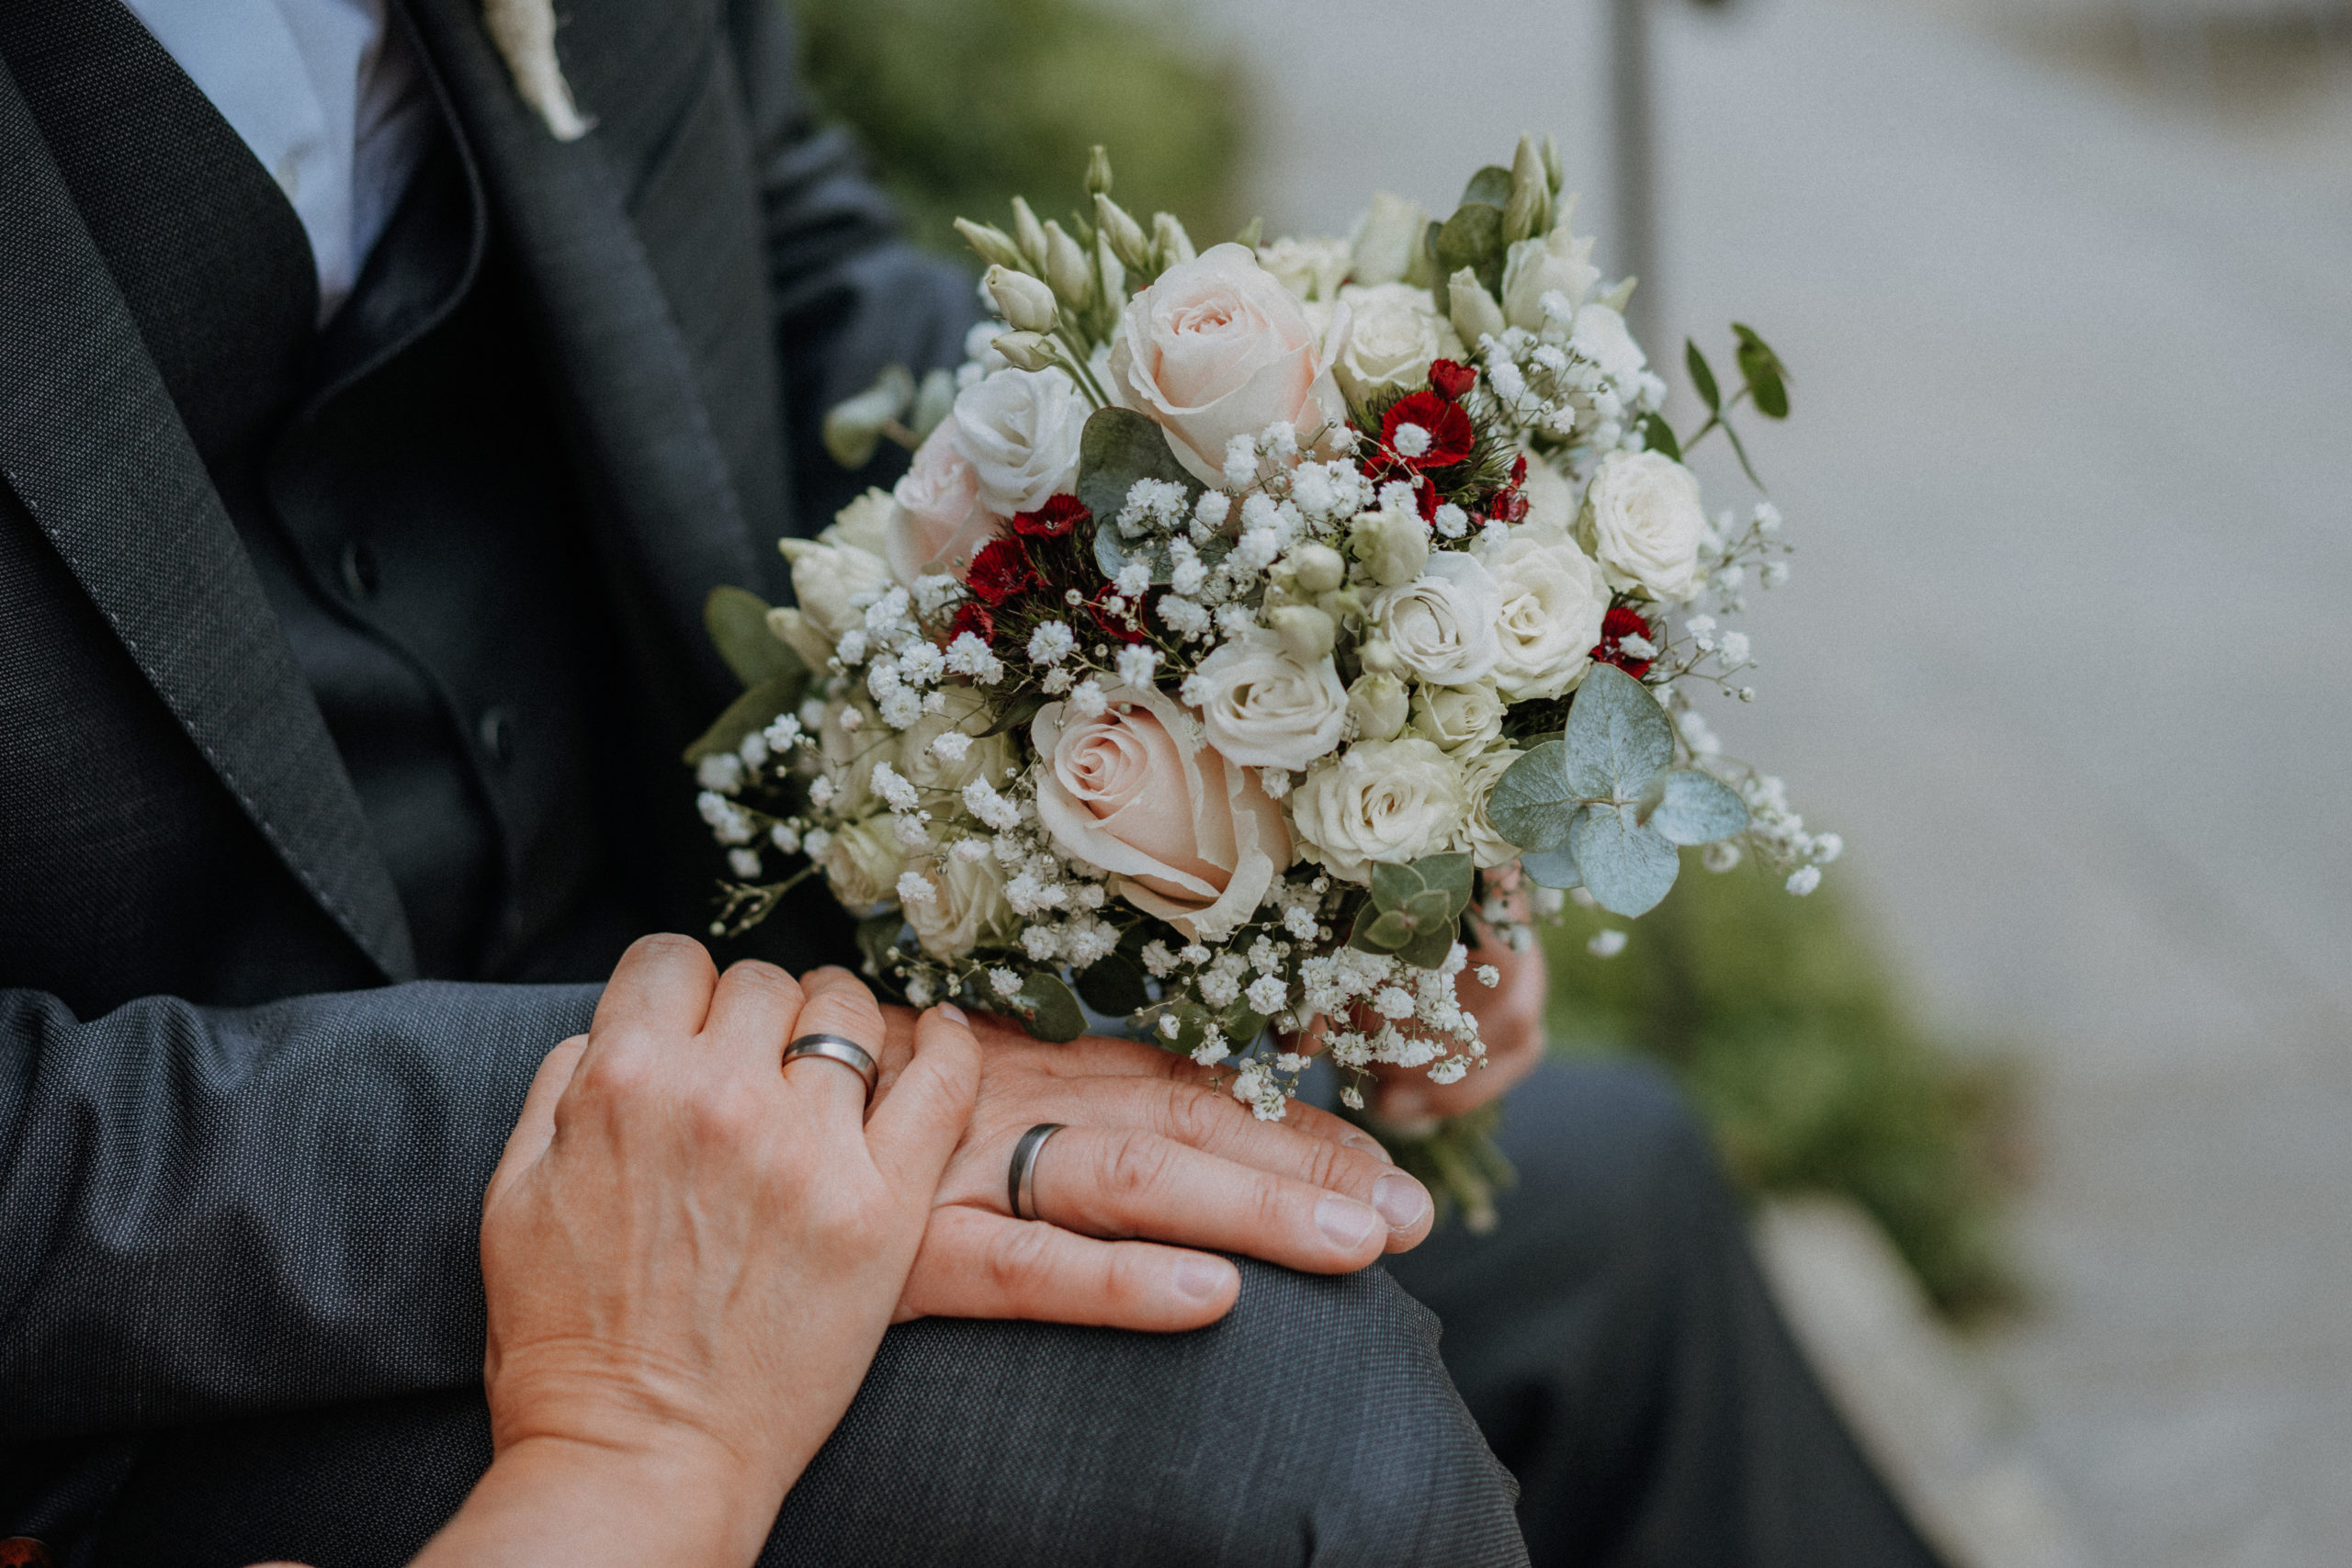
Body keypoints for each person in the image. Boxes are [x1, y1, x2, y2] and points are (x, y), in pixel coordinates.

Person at [0, 0, 1942, 1563]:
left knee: (1610, 1212)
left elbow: (784, 262)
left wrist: (1293, 670)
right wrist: (664, 1125)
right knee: (1278, 1421)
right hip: (162, 1337)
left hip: (718, 961)